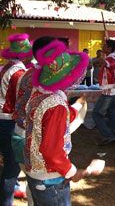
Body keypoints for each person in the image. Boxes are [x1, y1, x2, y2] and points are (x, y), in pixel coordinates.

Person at [24, 39, 89, 205]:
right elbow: (51, 151)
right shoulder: (55, 104)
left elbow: (57, 120)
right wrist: (72, 172)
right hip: (49, 179)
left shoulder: (39, 94)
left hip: (35, 172)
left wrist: (76, 105)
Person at [11, 36, 56, 206]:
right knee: (41, 188)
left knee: (34, 187)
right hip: (31, 139)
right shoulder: (45, 76)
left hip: (20, 134)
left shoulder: (29, 73)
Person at [0, 33, 33, 206]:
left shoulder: (6, 67)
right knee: (11, 166)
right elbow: (23, 101)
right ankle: (5, 201)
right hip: (7, 120)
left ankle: (11, 190)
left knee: (7, 160)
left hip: (2, 118)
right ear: (25, 54)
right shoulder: (19, 73)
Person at [93, 39, 115, 146]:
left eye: (104, 45)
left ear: (109, 48)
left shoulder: (111, 58)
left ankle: (108, 135)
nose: (102, 46)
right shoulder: (113, 57)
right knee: (112, 114)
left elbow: (104, 63)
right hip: (114, 90)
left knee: (96, 113)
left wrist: (99, 56)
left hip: (110, 92)